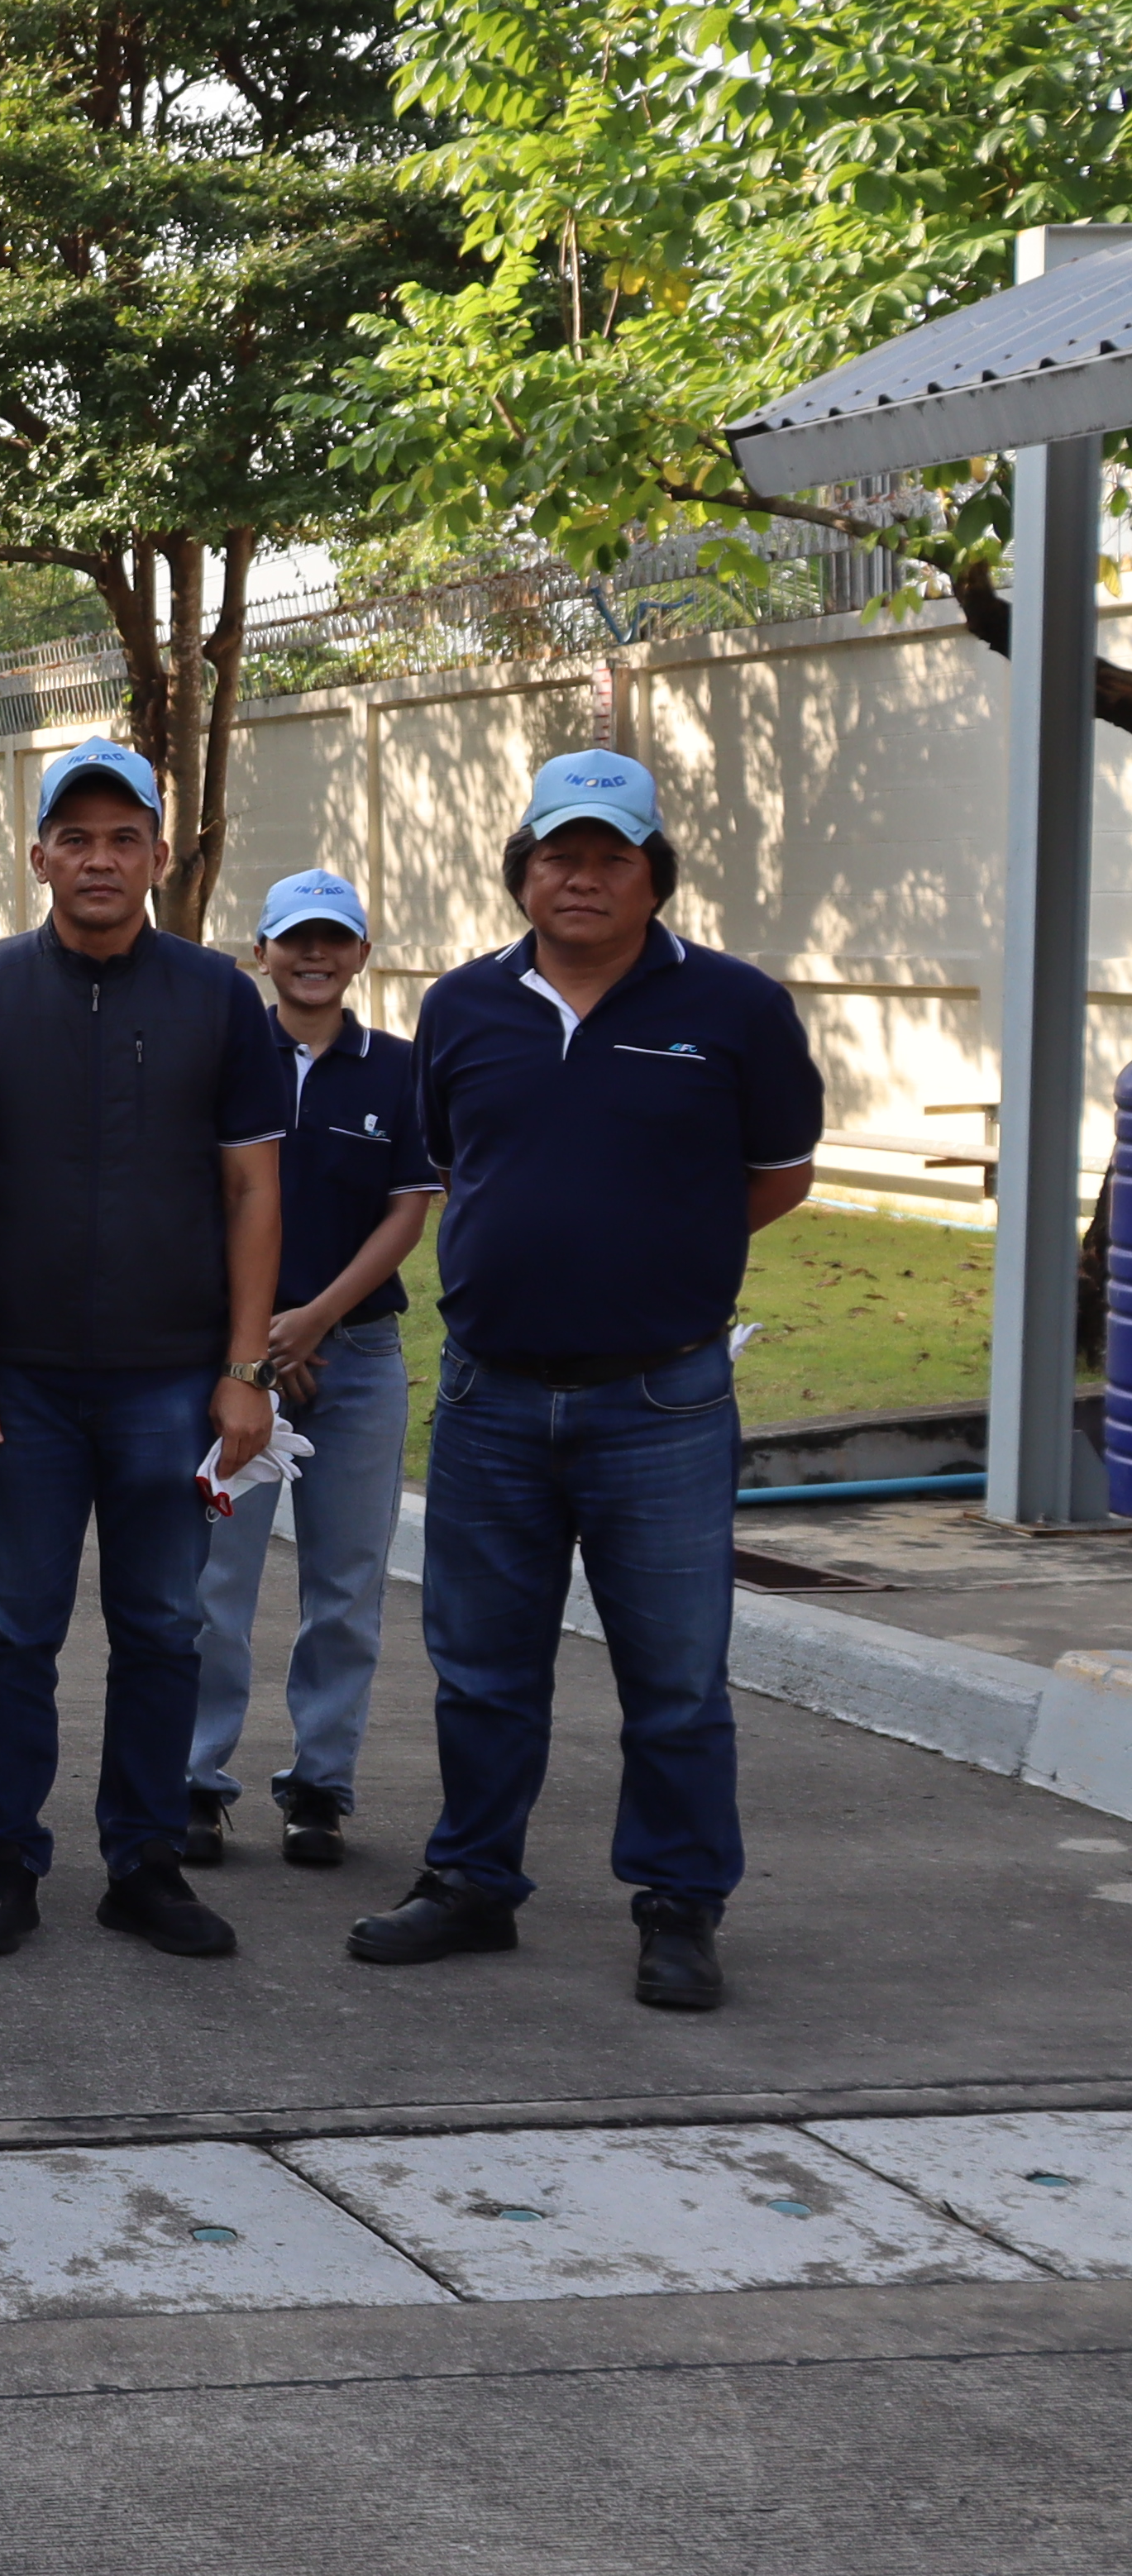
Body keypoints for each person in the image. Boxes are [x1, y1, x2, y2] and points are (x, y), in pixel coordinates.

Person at [354, 750, 819, 2014]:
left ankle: (678, 1907)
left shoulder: (735, 1008)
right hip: (492, 1398)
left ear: (653, 877)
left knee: (673, 1680)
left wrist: (668, 1254)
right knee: (482, 1669)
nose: (582, 877)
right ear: (521, 873)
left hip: (659, 1403)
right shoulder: (461, 1008)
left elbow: (778, 1173)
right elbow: (460, 1161)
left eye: (612, 856)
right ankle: (471, 1886)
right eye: (558, 854)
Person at [0, 740, 291, 1963]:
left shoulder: (219, 998)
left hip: (173, 1382)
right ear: (38, 856)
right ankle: (6, 1859)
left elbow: (252, 1193)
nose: (97, 859)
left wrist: (245, 1372)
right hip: (14, 1381)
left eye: (122, 837)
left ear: (158, 857)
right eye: (73, 838)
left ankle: (145, 1860)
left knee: (162, 1628)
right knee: (14, 1630)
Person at [184, 869, 436, 1873]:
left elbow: (408, 1211)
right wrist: (255, 1343)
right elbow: (206, 1205)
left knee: (345, 1584)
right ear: (262, 952)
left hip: (358, 1357)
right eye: (296, 940)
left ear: (363, 954)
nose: (315, 956)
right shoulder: (226, 1063)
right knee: (218, 1585)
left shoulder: (399, 1069)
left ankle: (319, 1788)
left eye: (336, 940)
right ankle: (198, 1781)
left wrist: (315, 1319)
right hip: (237, 1359)